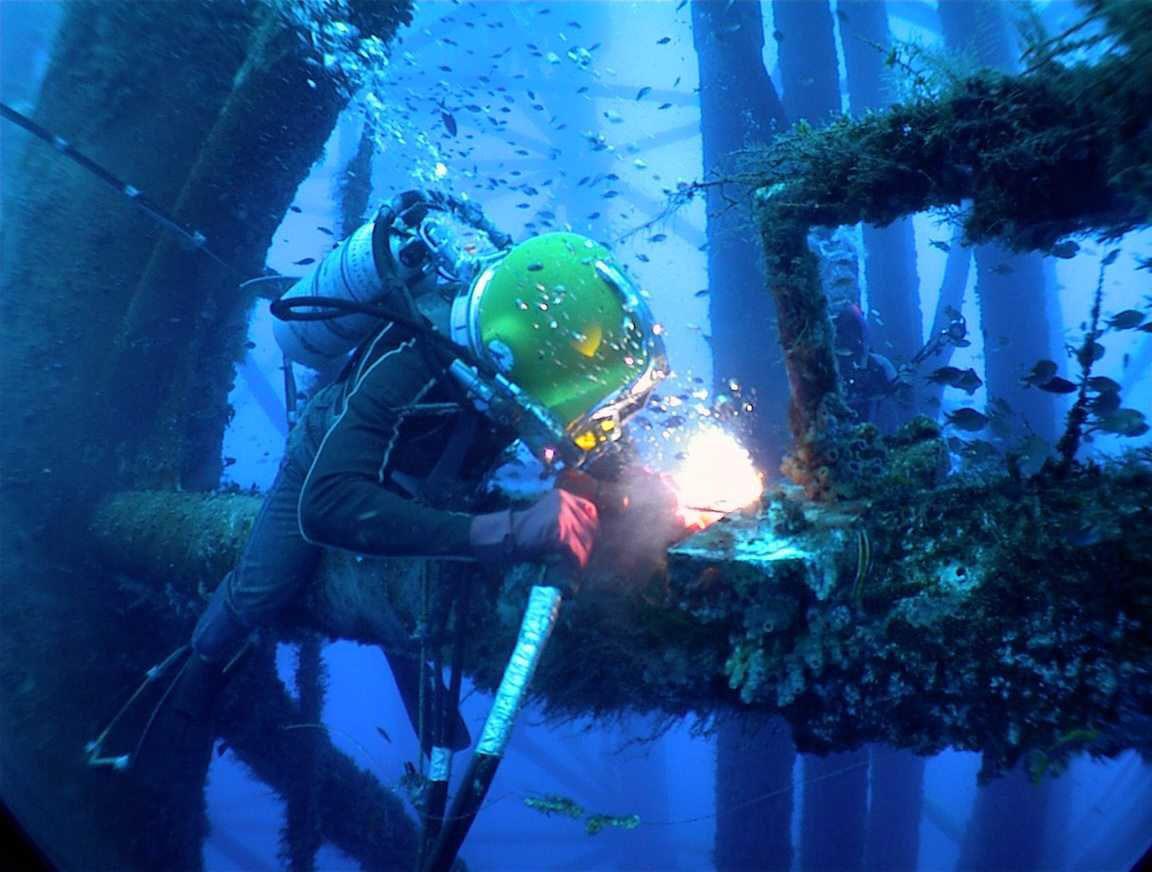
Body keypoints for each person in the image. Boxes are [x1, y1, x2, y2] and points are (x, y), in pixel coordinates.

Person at [135, 190, 669, 763]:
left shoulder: (523, 354)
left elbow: (577, 431)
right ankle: (201, 666)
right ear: (516, 364)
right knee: (265, 585)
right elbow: (329, 504)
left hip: (442, 477)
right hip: (330, 456)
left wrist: (636, 489)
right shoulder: (418, 358)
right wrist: (512, 532)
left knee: (412, 577)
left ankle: (406, 653)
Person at [832, 300, 901, 422]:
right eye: (841, 330)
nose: (843, 336)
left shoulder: (879, 364)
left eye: (849, 330)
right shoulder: (880, 363)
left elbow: (899, 397)